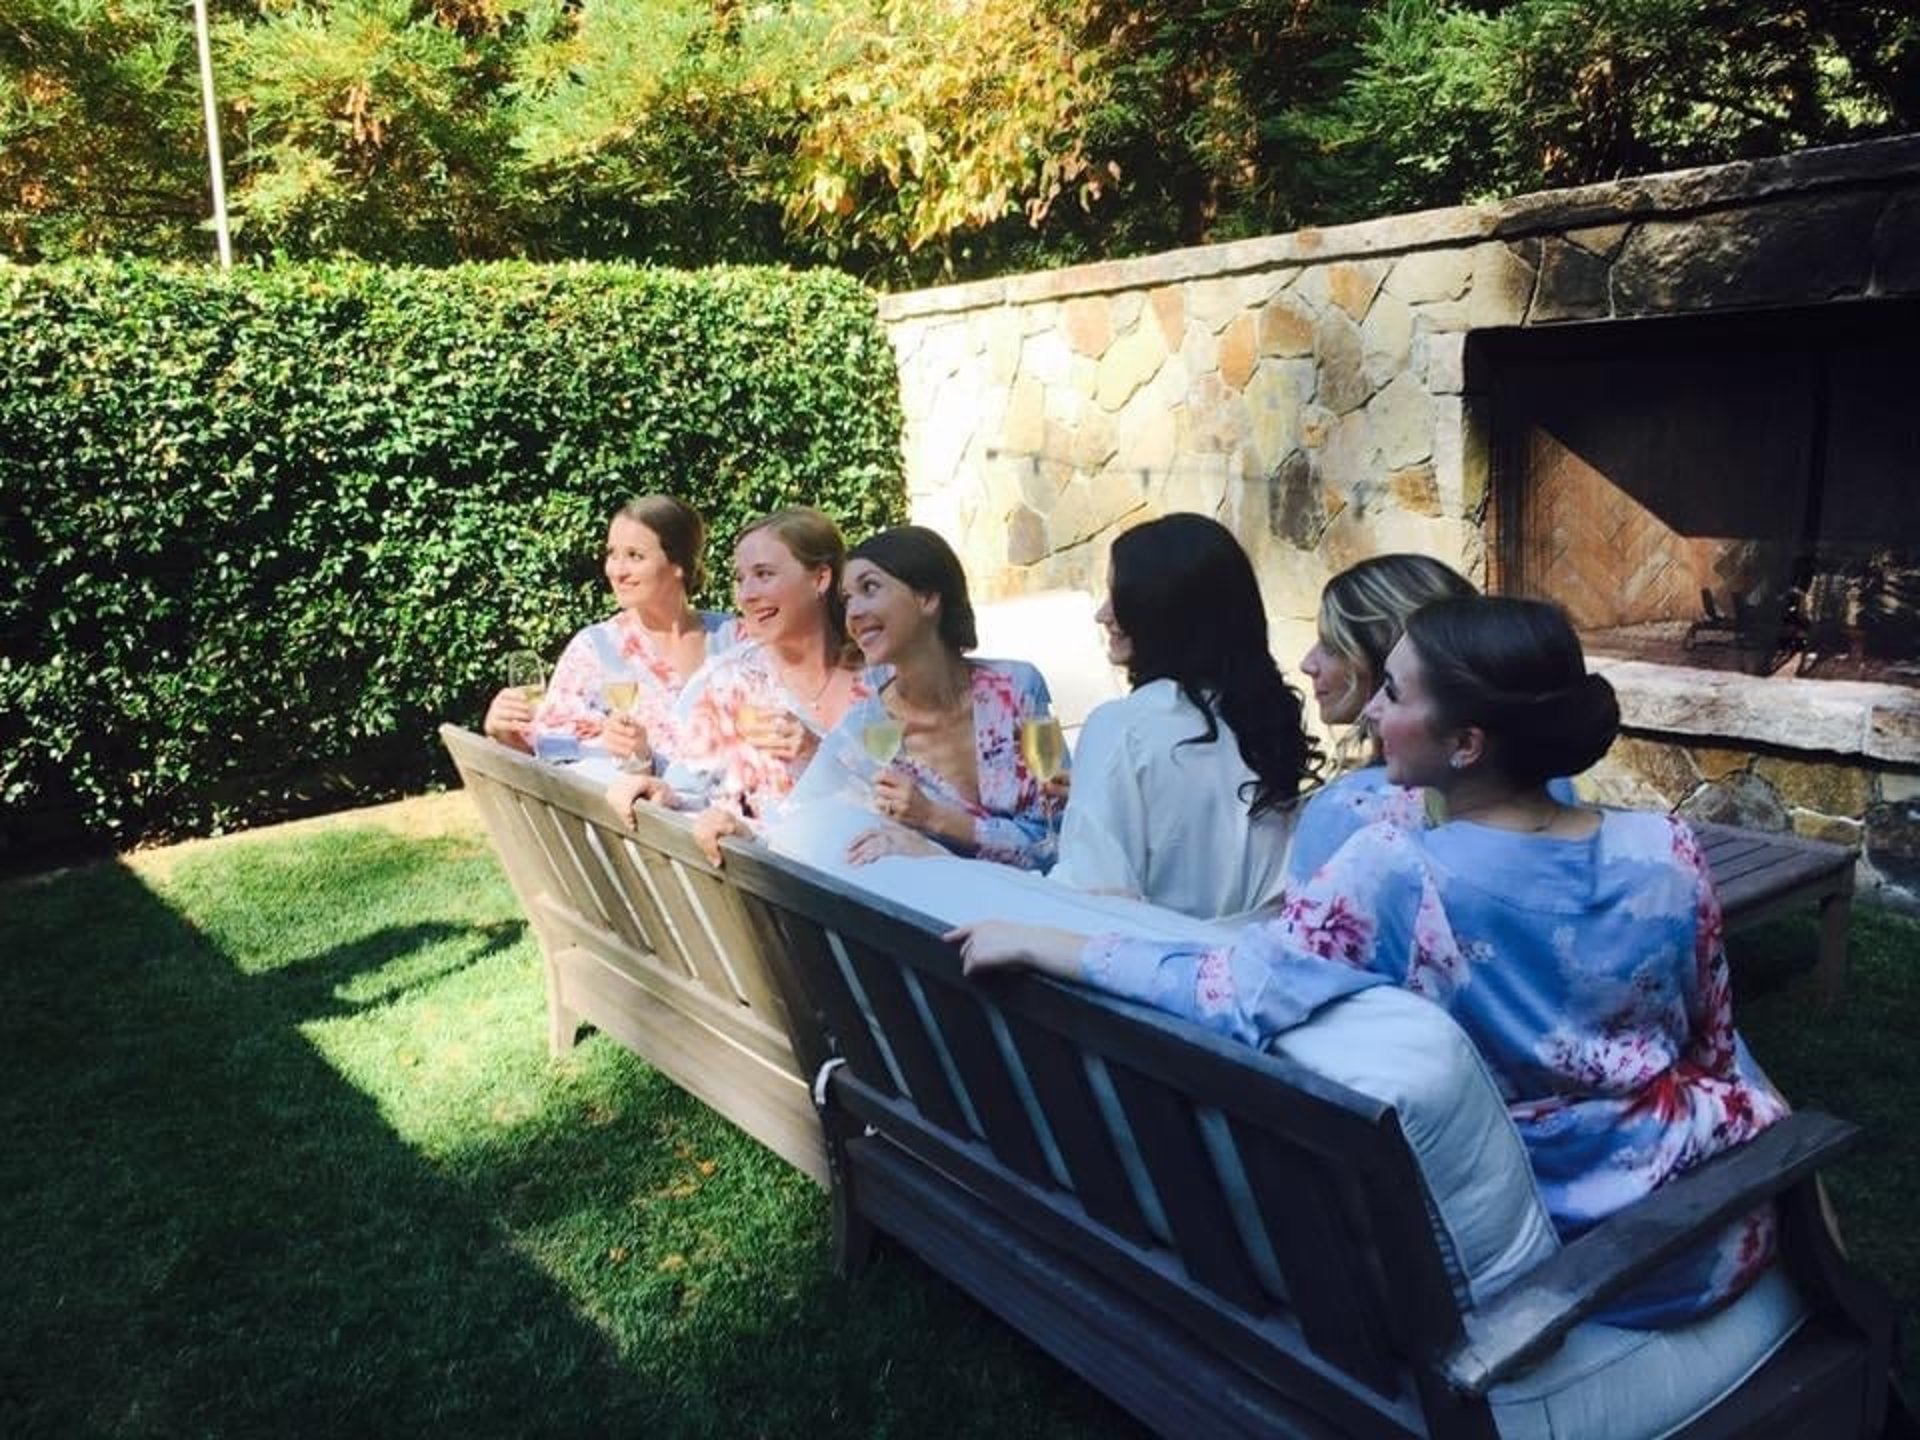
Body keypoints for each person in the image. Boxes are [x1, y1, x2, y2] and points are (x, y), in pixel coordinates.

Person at [952, 596, 1788, 1328]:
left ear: (1465, 741)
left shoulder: (1394, 868)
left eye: (1392, 692)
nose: (1370, 713)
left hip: (1571, 1255)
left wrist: (1050, 939)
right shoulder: (1667, 847)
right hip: (1724, 1218)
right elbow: (1712, 1045)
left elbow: (1228, 991)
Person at [1049, 513, 1320, 918]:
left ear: (1161, 611)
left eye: (1118, 597)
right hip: (1249, 963)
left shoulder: (1121, 728)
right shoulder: (1265, 721)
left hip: (1153, 967)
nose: (1103, 614)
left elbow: (1088, 897)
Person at [607, 507, 871, 861]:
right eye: (741, 578)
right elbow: (687, 788)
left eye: (763, 574)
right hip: (776, 898)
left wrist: (817, 754)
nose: (746, 594)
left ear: (820, 578)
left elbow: (912, 806)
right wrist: (657, 788)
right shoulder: (731, 681)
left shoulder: (881, 680)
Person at [790, 525, 1058, 871]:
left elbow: (1056, 841)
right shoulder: (867, 728)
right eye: (847, 599)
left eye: (869, 588)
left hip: (1046, 904)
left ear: (928, 598)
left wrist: (934, 818)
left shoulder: (1015, 689)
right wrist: (736, 828)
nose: (853, 613)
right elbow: (796, 825)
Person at [484, 495, 734, 770]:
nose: (616, 570)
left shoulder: (735, 639)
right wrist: (510, 736)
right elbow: (553, 751)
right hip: (643, 808)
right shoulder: (595, 649)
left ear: (678, 565)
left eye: (634, 556)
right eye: (612, 554)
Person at [1285, 553, 1480, 883]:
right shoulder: (1539, 787)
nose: (1307, 663)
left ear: (1391, 657)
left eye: (1332, 646)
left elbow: (1303, 928)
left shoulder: (1349, 807)